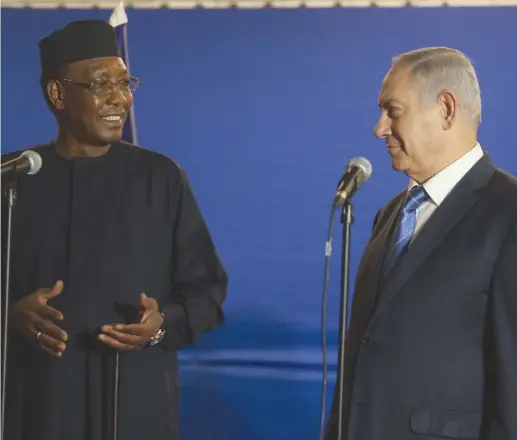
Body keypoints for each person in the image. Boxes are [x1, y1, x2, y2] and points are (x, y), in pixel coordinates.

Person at [1, 20, 228, 440]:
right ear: (58, 93)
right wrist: (8, 313)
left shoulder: (160, 178)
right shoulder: (13, 178)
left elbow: (207, 290)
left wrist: (160, 324)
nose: (119, 98)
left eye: (125, 84)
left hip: (134, 404)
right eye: (101, 84)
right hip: (36, 405)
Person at [324, 47, 517, 440]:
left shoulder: (508, 212)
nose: (379, 128)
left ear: (446, 109)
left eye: (393, 111)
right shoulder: (389, 214)